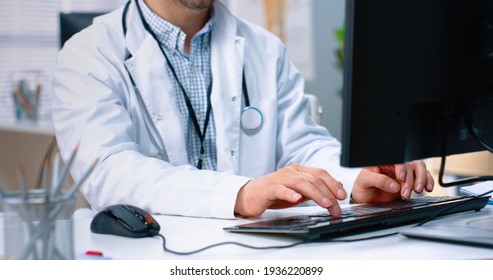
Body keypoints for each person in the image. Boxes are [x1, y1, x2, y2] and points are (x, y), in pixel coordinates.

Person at [52, 0, 434, 219]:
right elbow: (109, 170)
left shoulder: (265, 49)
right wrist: (240, 194)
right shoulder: (89, 54)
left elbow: (304, 146)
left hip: (254, 257)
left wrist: (356, 178)